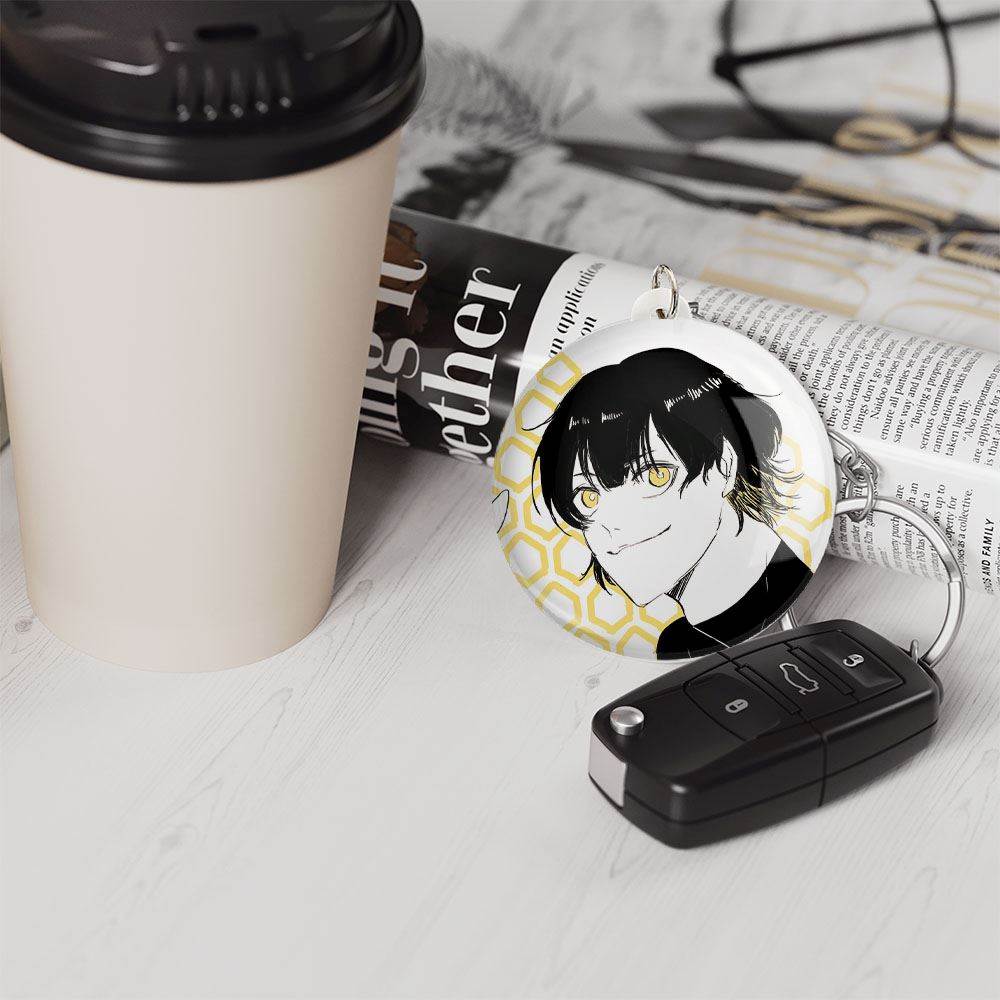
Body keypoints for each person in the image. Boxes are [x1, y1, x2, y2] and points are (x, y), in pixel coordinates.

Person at [533, 347, 808, 658]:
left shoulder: (789, 582)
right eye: (588, 497)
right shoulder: (679, 641)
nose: (613, 525)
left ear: (725, 464)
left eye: (655, 475)